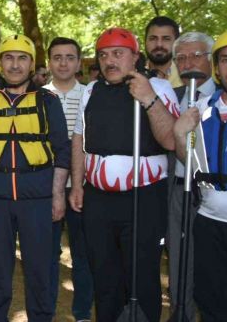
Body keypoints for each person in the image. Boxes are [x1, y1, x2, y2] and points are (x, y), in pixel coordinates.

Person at [69, 27, 179, 322]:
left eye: (118, 54)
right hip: (98, 200)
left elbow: (171, 140)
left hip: (143, 198)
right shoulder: (91, 90)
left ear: (135, 57)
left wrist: (148, 98)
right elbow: (79, 138)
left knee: (142, 278)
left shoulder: (159, 87)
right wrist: (77, 184)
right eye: (104, 55)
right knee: (104, 278)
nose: (109, 61)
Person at [0, 35, 69, 322]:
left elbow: (62, 152)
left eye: (22, 58)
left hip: (38, 197)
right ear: (0, 63)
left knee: (39, 269)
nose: (15, 64)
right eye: (9, 58)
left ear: (32, 64)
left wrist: (58, 195)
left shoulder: (48, 101)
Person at [174, 29, 227, 321]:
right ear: (216, 66)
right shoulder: (201, 108)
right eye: (225, 60)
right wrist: (178, 133)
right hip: (210, 224)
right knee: (212, 306)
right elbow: (193, 163)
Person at [166, 31, 215, 321]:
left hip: (214, 193)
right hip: (177, 188)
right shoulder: (173, 98)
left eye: (196, 55)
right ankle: (180, 313)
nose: (188, 62)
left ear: (211, 59)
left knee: (213, 265)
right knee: (178, 261)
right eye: (181, 57)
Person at [43, 37, 93, 322]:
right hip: (43, 189)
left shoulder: (90, 95)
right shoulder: (36, 96)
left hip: (81, 189)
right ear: (49, 61)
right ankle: (45, 310)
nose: (63, 62)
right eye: (57, 57)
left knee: (83, 254)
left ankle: (82, 311)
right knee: (46, 254)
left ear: (78, 62)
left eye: (70, 57)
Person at [145, 16, 183, 88]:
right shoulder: (133, 75)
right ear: (145, 42)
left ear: (176, 43)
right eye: (153, 38)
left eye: (166, 39)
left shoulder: (186, 79)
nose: (159, 44)